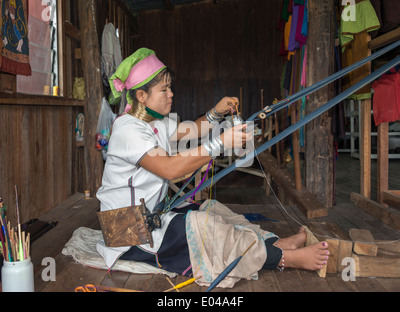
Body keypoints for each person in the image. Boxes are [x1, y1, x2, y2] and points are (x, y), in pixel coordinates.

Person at [96, 48, 329, 287]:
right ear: (141, 96)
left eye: (170, 88)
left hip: (152, 216)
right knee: (205, 229)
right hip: (128, 233)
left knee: (213, 213)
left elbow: (194, 130)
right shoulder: (127, 129)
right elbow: (167, 168)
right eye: (164, 89)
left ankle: (273, 244)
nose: (171, 94)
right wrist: (220, 143)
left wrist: (216, 112)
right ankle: (283, 258)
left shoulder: (156, 122)